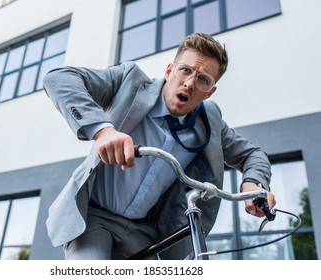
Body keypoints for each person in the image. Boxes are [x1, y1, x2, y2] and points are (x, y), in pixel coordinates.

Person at [43, 32, 276, 260]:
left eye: (203, 79)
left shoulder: (210, 122)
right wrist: (103, 131)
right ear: (169, 71)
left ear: (209, 92)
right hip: (92, 218)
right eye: (185, 70)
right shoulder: (130, 81)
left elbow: (252, 154)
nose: (189, 83)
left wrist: (253, 184)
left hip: (144, 232)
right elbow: (59, 78)